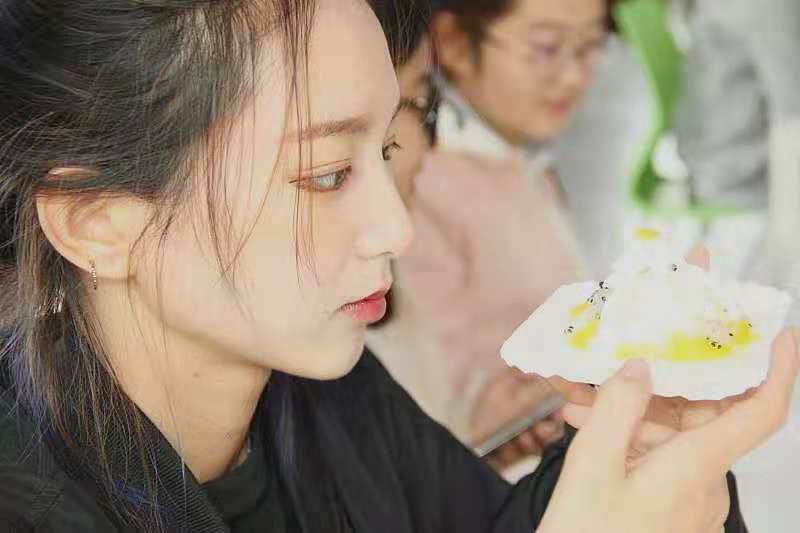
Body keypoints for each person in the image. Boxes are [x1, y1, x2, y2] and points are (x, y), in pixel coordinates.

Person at [0, 0, 791, 531]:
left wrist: (633, 464)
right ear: (97, 223)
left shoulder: (335, 404)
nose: (397, 227)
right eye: (325, 175)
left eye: (387, 148)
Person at [390, 0, 612, 455]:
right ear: (453, 42)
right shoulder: (423, 185)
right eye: (546, 47)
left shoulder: (523, 163)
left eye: (590, 46)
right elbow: (421, 399)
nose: (573, 76)